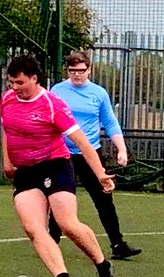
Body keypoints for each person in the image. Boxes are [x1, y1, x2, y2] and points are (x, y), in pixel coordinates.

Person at [0, 54, 114, 277]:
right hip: (26, 171)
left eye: (20, 83)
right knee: (33, 228)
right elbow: (7, 129)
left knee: (67, 223)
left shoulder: (52, 104)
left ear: (34, 79)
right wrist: (7, 161)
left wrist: (100, 174)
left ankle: (103, 266)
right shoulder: (8, 99)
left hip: (55, 165)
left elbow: (82, 142)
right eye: (11, 83)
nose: (14, 88)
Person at [48, 49, 140, 260]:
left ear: (89, 69)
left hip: (90, 154)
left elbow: (110, 122)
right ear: (68, 71)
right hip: (62, 153)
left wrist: (122, 149)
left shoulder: (98, 93)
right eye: (72, 71)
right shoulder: (57, 91)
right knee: (60, 197)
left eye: (81, 70)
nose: (77, 75)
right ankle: (50, 242)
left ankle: (118, 244)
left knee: (104, 198)